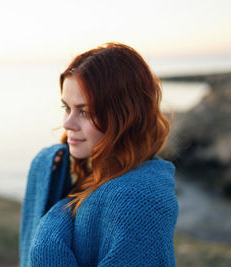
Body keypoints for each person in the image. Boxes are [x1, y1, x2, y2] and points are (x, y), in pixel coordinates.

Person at [19, 42, 179, 266]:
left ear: (124, 116)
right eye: (67, 108)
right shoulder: (86, 172)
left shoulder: (137, 201)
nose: (67, 123)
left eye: (84, 112)